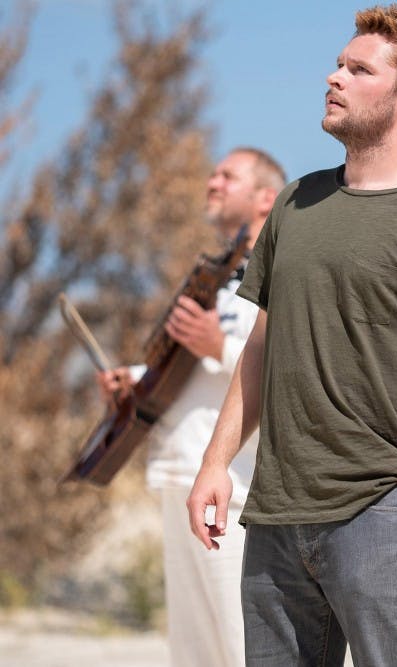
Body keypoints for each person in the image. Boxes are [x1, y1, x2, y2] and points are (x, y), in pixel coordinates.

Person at [186, 5, 397, 667]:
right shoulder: (297, 205)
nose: (333, 77)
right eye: (337, 64)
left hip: (386, 509)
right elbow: (263, 347)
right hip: (275, 511)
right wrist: (216, 462)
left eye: (358, 69)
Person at [97, 147, 285, 667]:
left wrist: (216, 346)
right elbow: (187, 374)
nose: (213, 181)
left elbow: (290, 372)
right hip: (181, 478)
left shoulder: (284, 270)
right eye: (213, 173)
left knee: (245, 647)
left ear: (266, 196)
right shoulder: (216, 276)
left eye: (229, 175)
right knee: (194, 653)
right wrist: (133, 381)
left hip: (239, 493)